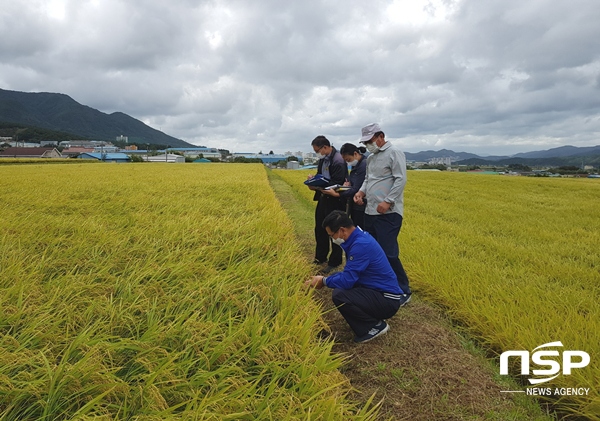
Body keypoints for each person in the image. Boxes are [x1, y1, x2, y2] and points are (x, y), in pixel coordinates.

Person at [304, 211, 409, 343]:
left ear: (342, 230)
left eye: (332, 235)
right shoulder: (357, 238)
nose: (332, 239)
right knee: (336, 277)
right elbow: (349, 274)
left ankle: (374, 326)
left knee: (340, 295)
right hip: (377, 290)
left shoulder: (361, 245)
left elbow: (347, 281)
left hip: (387, 300)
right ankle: (369, 317)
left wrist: (323, 281)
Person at [353, 123, 411, 299]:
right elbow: (369, 179)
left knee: (389, 253)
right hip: (371, 211)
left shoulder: (394, 153)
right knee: (373, 251)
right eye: (365, 143)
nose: (368, 145)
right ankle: (380, 285)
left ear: (380, 136)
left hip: (388, 213)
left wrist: (388, 201)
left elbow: (401, 180)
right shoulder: (371, 158)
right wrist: (361, 192)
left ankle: (403, 290)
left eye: (370, 141)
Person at [308, 135, 347, 274]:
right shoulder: (323, 160)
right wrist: (313, 181)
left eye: (317, 150)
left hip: (335, 200)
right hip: (324, 198)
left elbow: (338, 182)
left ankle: (335, 261)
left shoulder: (338, 161)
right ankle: (320, 257)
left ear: (325, 147)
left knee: (335, 231)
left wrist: (319, 186)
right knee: (320, 228)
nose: (317, 153)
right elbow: (320, 175)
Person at [320, 143, 367, 229]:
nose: (348, 162)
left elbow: (357, 188)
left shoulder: (363, 165)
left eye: (348, 159)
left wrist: (338, 194)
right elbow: (355, 183)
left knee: (360, 230)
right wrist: (348, 183)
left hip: (362, 204)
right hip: (355, 202)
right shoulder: (356, 164)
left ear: (355, 154)